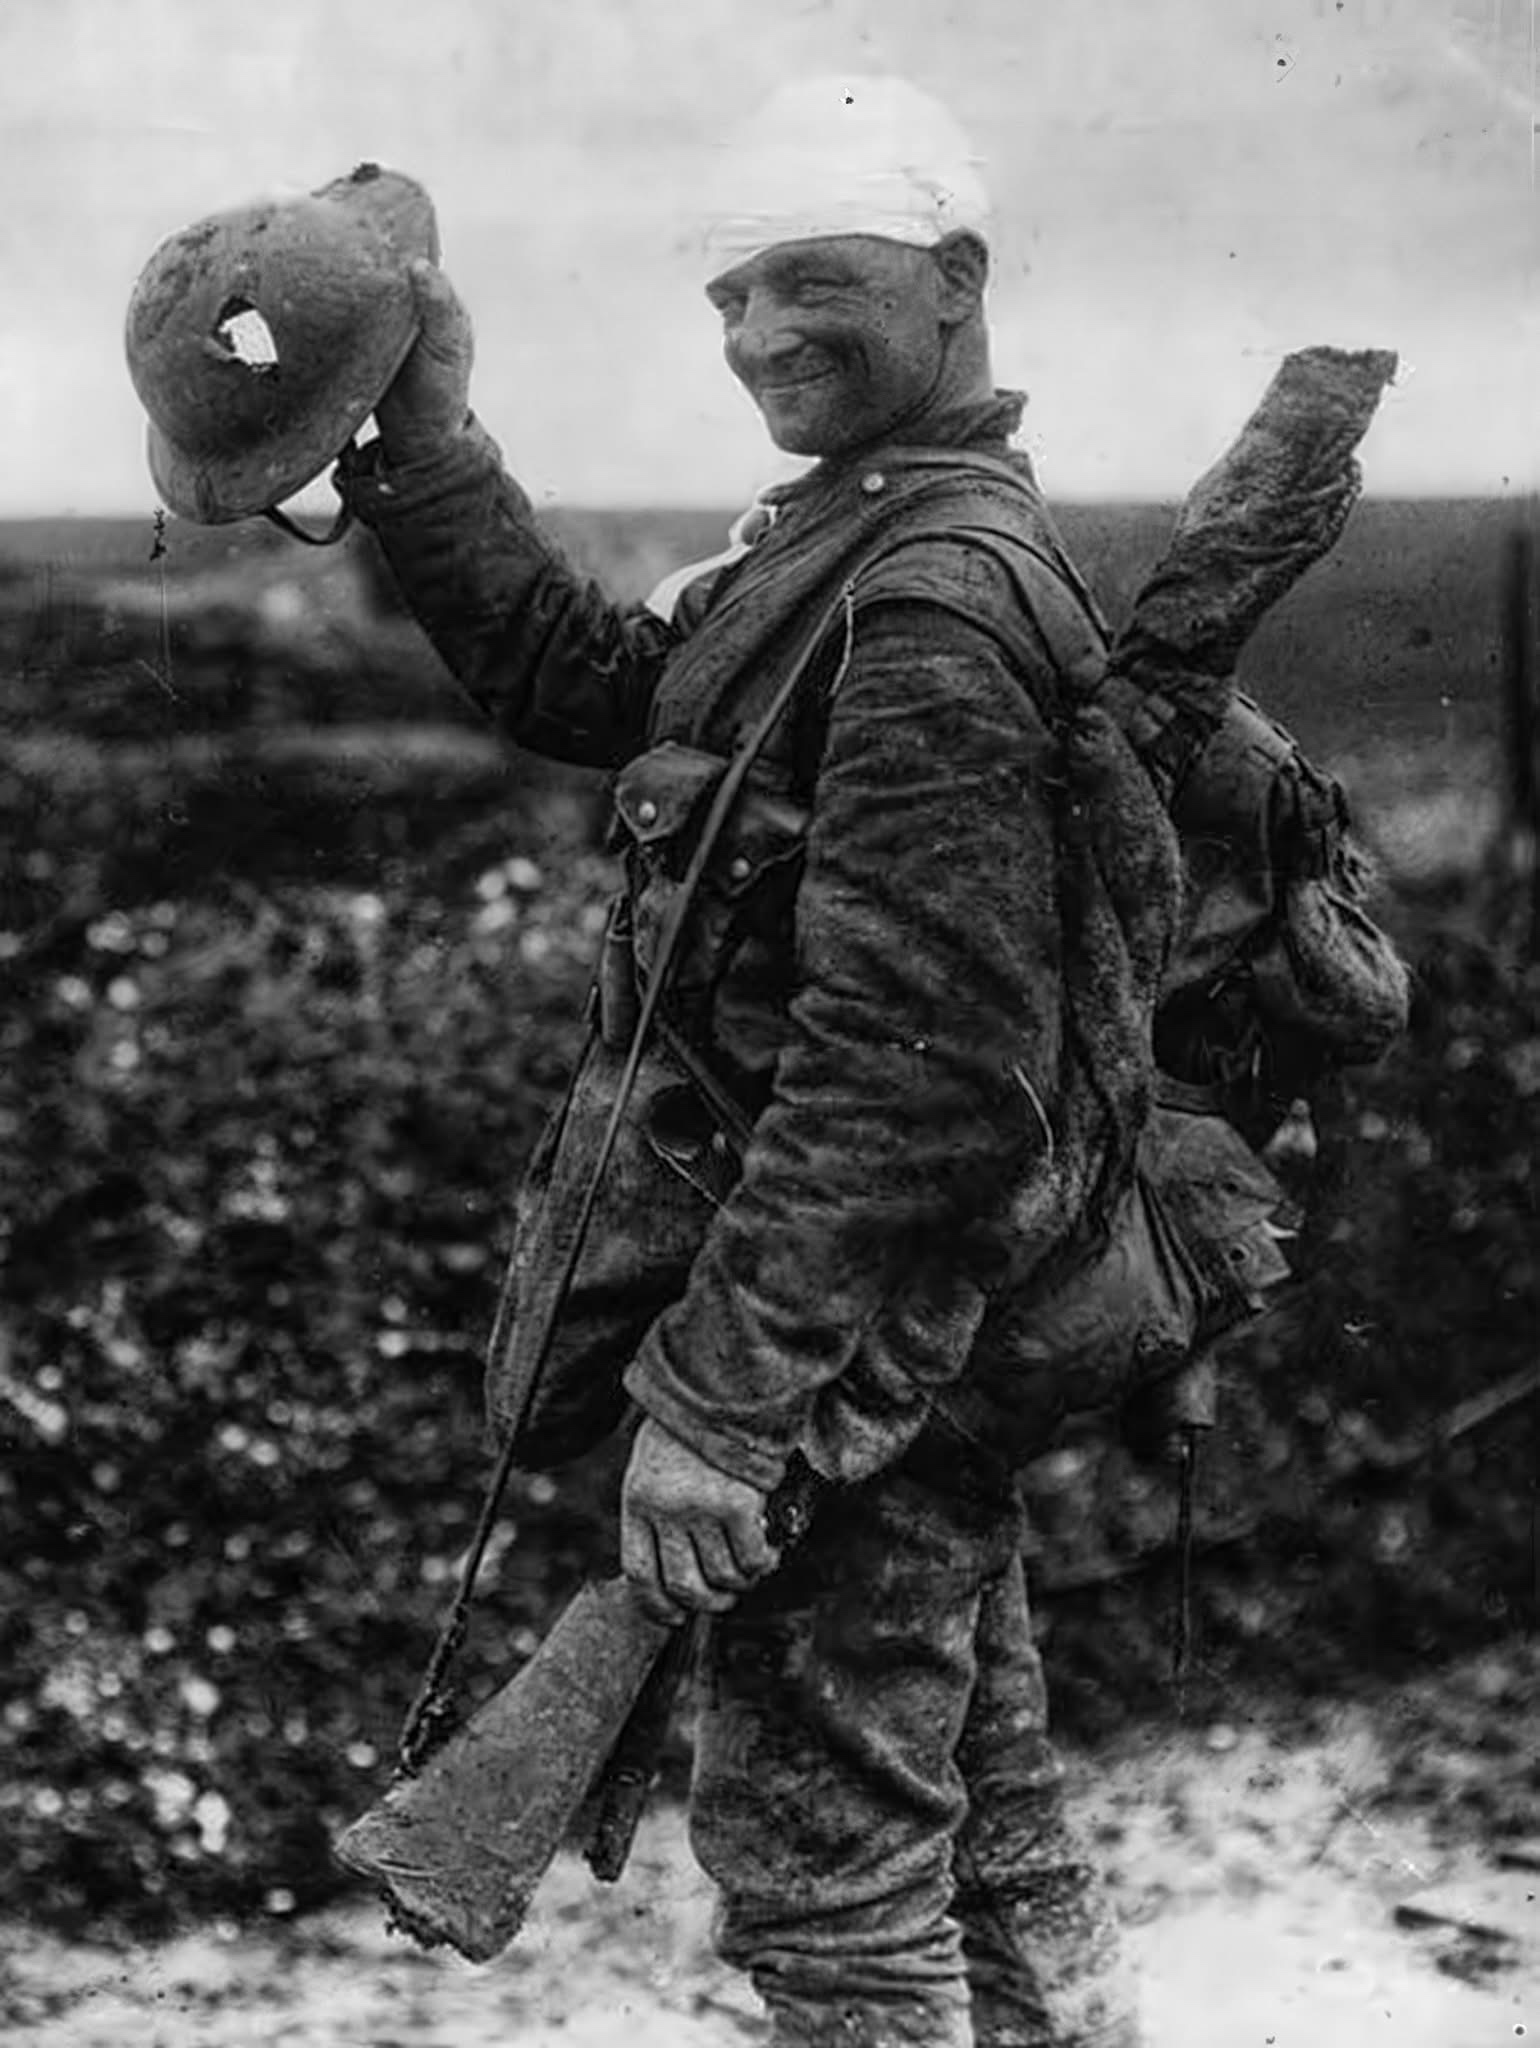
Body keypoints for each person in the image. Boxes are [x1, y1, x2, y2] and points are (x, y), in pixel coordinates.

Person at [336, 75, 1177, 2047]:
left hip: (838, 1350)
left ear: (953, 278)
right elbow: (593, 683)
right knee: (979, 1827)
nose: (754, 339)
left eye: (809, 283)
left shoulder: (927, 600)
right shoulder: (850, 550)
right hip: (903, 1342)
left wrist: (720, 1409)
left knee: (830, 1880)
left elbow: (919, 1069)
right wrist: (424, 433)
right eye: (727, 297)